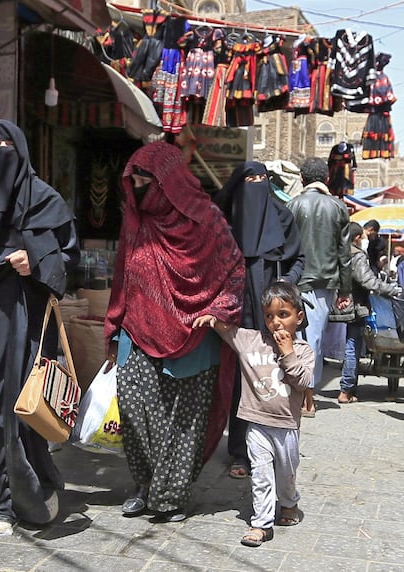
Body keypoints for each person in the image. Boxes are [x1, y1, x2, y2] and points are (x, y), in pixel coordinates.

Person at [104, 141, 244, 523]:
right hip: (137, 329)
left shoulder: (208, 218)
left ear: (168, 181)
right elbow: (125, 273)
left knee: (182, 423)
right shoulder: (136, 219)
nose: (138, 189)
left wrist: (218, 310)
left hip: (195, 334)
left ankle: (171, 497)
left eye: (146, 181)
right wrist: (115, 323)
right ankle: (145, 484)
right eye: (134, 181)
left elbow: (234, 270)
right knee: (136, 413)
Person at [0, 120, 80, 532]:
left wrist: (35, 262)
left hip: (29, 317)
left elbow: (69, 258)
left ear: (21, 151)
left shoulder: (46, 201)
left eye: (4, 146)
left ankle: (29, 489)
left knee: (23, 402)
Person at [192, 282, 314, 548]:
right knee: (260, 475)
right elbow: (230, 332)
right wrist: (214, 320)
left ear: (299, 317)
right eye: (269, 316)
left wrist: (288, 352)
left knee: (286, 473)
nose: (276, 322)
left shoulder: (304, 350)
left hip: (286, 427)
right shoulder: (253, 341)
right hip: (257, 425)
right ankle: (261, 524)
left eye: (283, 314)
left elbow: (303, 381)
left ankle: (289, 502)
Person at [214, 161, 305, 479]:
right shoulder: (224, 220)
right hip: (237, 313)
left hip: (272, 313)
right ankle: (240, 450)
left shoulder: (282, 216)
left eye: (262, 180)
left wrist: (285, 287)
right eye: (249, 179)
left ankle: (277, 443)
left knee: (272, 378)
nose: (256, 185)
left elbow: (299, 258)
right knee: (241, 379)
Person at [286, 157, 352, 416]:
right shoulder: (338, 207)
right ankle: (307, 397)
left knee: (298, 337)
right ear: (326, 179)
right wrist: (345, 290)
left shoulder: (292, 205)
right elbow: (344, 255)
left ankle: (304, 395)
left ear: (302, 178)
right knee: (313, 339)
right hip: (325, 283)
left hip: (295, 280)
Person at [339, 222, 401, 403]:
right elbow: (367, 281)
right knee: (352, 346)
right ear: (358, 237)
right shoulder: (356, 255)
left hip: (339, 302)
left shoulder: (337, 251)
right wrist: (392, 290)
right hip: (355, 304)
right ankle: (346, 390)